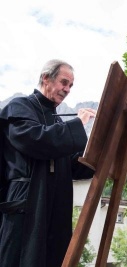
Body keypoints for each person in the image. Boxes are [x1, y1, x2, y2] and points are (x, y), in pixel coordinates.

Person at [0, 59, 96, 267]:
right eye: (64, 82)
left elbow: (73, 165)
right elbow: (36, 140)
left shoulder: (58, 122)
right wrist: (78, 124)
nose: (67, 89)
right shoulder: (20, 106)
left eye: (70, 85)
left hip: (54, 206)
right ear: (46, 78)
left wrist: (100, 152)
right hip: (27, 202)